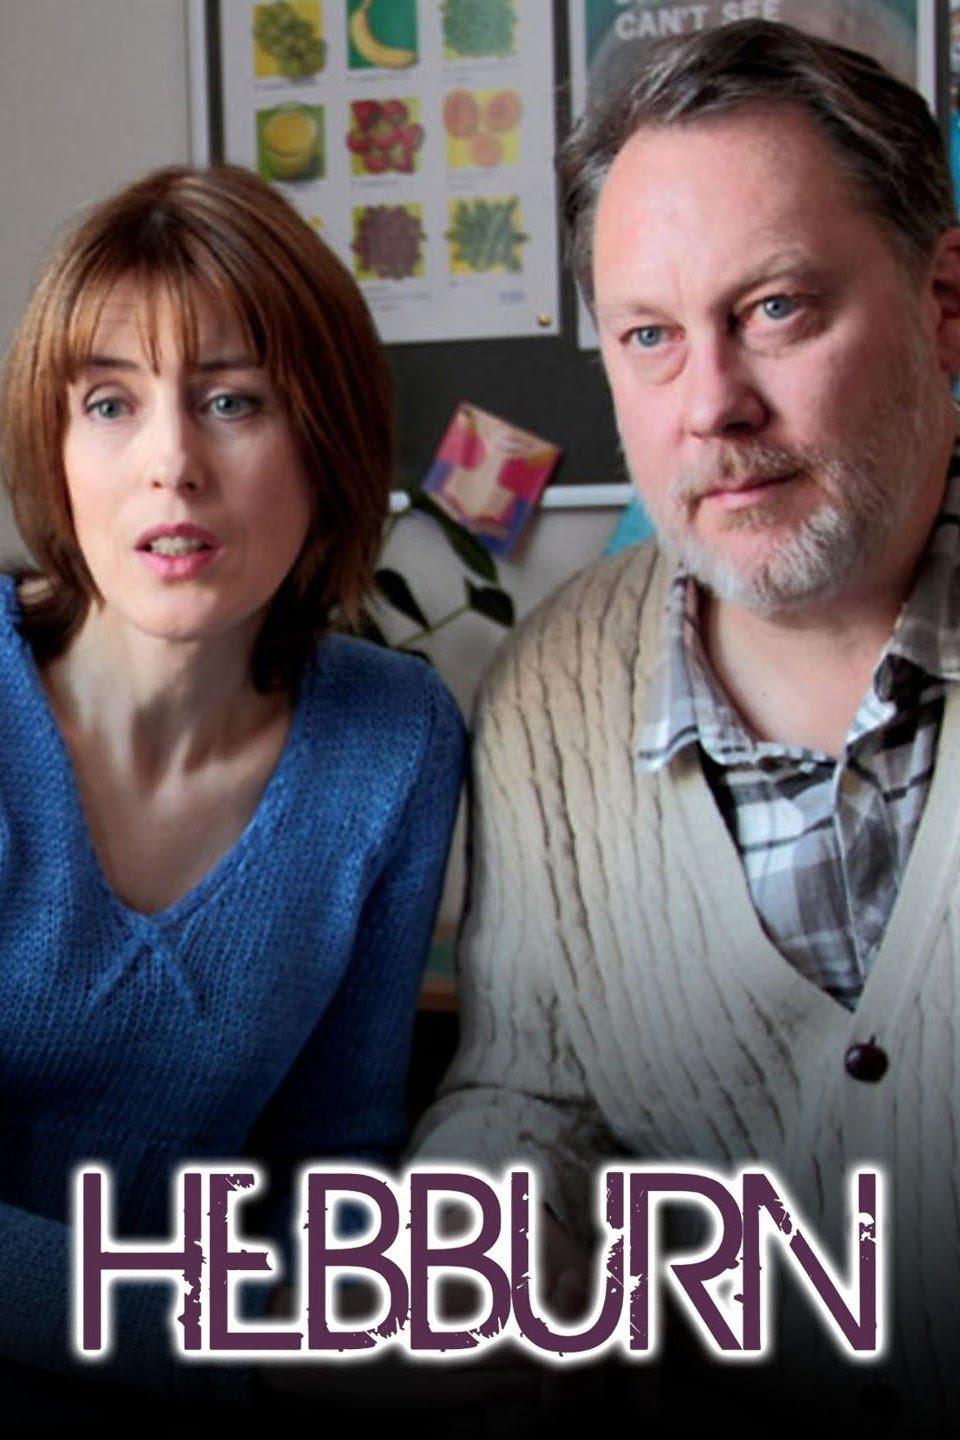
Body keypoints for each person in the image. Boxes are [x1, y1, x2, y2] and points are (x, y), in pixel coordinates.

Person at [413, 19, 960, 1427]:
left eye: (775, 308)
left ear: (945, 304)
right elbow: (528, 1098)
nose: (712, 404)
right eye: (650, 336)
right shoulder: (551, 699)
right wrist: (470, 1259)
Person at [0, 164, 464, 1414]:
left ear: (326, 441)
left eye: (231, 401)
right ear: (54, 449)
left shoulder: (397, 739)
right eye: (109, 402)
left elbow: (336, 1156)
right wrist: (236, 1344)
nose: (172, 463)